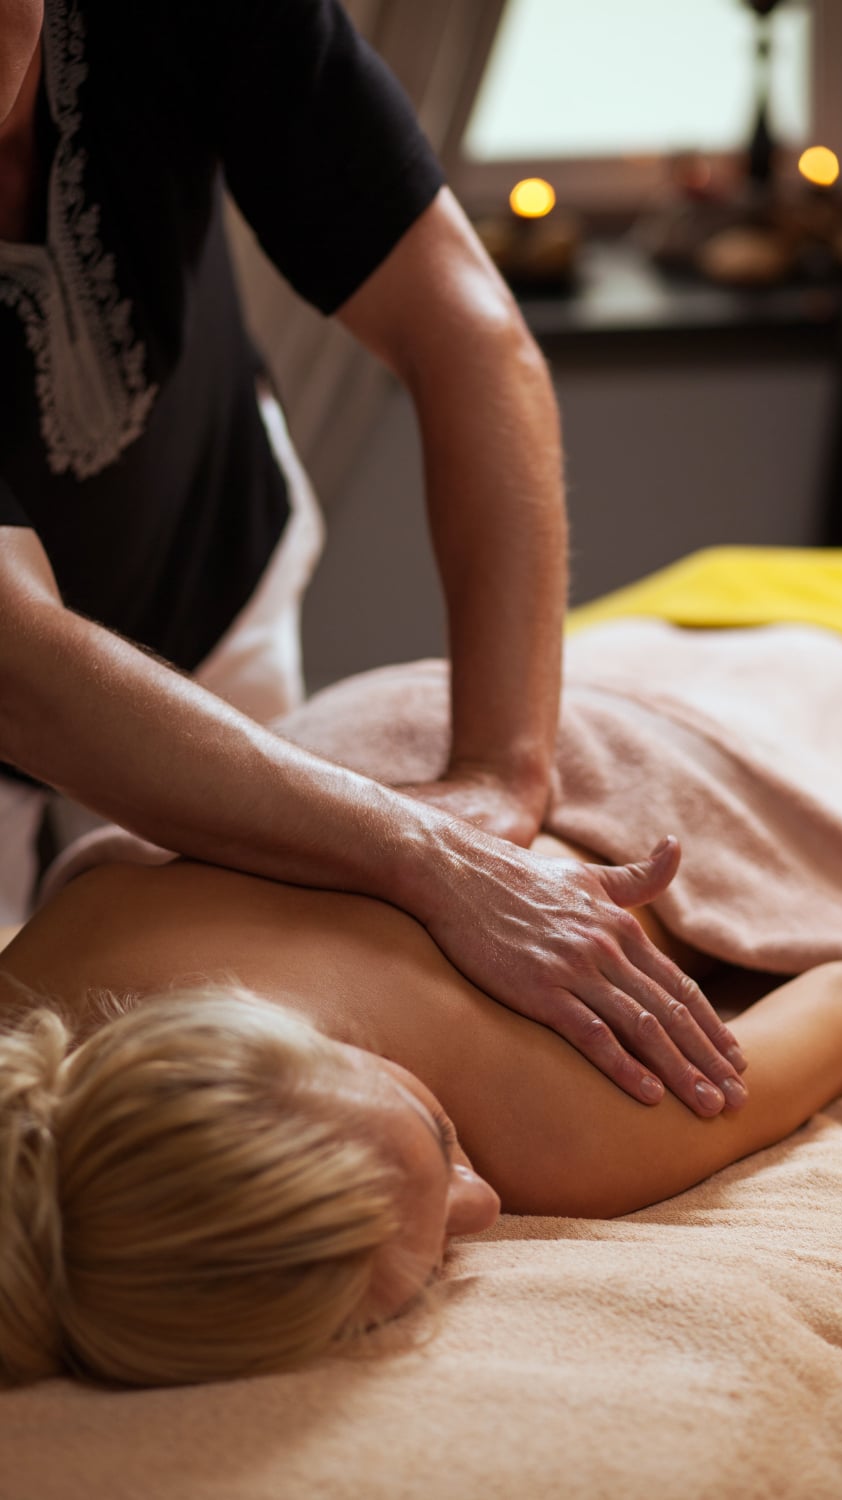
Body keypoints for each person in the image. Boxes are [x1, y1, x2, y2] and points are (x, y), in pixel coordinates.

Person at [0, 0, 748, 1117]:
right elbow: (20, 663)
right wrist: (427, 858)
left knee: (260, 1052)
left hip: (214, 555)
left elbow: (464, 333)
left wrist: (503, 773)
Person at [0, 810, 842, 1387]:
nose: (486, 1203)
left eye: (443, 1140)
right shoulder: (22, 1009)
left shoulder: (579, 1122)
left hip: (644, 737)